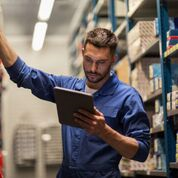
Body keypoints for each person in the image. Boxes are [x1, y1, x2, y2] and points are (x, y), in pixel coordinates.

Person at [0, 28, 150, 178]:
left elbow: (141, 152)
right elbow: (24, 75)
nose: (93, 69)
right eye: (88, 59)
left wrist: (104, 131)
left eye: (101, 62)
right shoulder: (67, 87)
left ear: (113, 59)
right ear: (82, 52)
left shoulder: (128, 97)